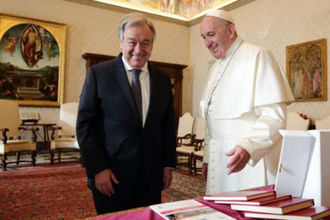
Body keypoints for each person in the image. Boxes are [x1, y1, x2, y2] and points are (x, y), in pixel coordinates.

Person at [76, 12, 177, 214]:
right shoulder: (99, 74)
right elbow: (85, 126)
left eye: (145, 43)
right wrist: (98, 169)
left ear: (152, 45)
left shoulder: (163, 79)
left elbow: (167, 125)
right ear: (121, 42)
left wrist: (168, 165)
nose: (138, 50)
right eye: (132, 42)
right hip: (111, 175)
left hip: (150, 175)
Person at [199, 10, 295, 195]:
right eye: (204, 37)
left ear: (230, 30)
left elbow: (275, 117)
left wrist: (248, 147)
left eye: (211, 34)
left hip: (250, 160)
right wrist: (207, 158)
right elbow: (211, 120)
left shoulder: (259, 55)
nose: (207, 42)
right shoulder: (214, 69)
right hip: (219, 159)